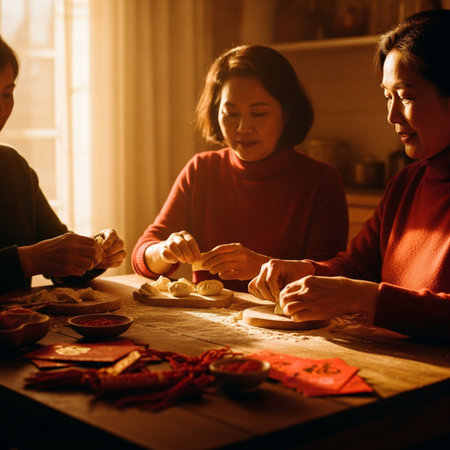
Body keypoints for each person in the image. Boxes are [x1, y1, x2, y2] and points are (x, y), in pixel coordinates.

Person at [249, 10, 450, 341]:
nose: (392, 115)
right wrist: (303, 270)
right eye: (388, 96)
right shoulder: (405, 184)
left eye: (407, 96)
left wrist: (363, 297)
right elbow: (355, 267)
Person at [132, 44, 349, 292]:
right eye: (231, 113)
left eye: (258, 114)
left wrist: (262, 266)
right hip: (207, 323)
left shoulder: (320, 181)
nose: (243, 127)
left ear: (286, 114)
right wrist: (165, 251)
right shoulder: (201, 169)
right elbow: (143, 254)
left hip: (286, 324)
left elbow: (328, 279)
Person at [0, 35, 126, 295]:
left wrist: (92, 254)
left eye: (7, 94)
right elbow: (36, 256)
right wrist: (26, 260)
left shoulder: (13, 168)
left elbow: (58, 261)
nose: (2, 110)